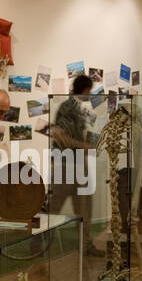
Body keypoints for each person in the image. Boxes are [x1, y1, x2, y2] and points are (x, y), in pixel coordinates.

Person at [49, 75, 101, 255]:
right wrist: (86, 146)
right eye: (90, 90)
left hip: (77, 165)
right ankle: (40, 246)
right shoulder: (68, 108)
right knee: (53, 208)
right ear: (86, 89)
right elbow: (62, 139)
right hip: (66, 166)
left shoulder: (77, 108)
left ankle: (86, 246)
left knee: (85, 208)